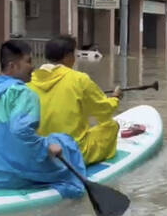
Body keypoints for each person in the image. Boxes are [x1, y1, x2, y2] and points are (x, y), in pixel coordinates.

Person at [0, 40, 87, 198]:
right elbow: (21, 131)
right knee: (64, 141)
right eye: (28, 61)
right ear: (13, 66)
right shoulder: (23, 93)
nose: (33, 66)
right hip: (13, 177)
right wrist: (46, 146)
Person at [28, 35, 122, 165]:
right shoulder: (79, 79)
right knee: (111, 126)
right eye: (74, 54)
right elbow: (104, 111)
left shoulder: (29, 81)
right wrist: (115, 99)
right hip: (73, 152)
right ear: (68, 56)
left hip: (41, 151)